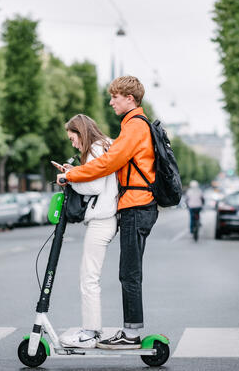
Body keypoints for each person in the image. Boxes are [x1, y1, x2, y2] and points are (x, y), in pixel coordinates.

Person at [57, 75, 157, 350]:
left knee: (129, 273)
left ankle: (131, 334)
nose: (111, 101)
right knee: (127, 272)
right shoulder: (129, 127)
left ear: (130, 98)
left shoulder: (135, 126)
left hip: (137, 204)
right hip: (132, 206)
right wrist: (74, 173)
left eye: (115, 96)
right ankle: (128, 331)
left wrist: (72, 175)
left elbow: (108, 164)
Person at [56, 114, 119, 349]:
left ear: (81, 132)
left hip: (101, 220)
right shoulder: (105, 145)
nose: (73, 143)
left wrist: (69, 177)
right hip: (107, 219)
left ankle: (90, 333)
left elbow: (94, 185)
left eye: (73, 138)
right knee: (90, 277)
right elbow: (94, 177)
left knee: (89, 278)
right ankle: (91, 330)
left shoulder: (95, 148)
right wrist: (75, 172)